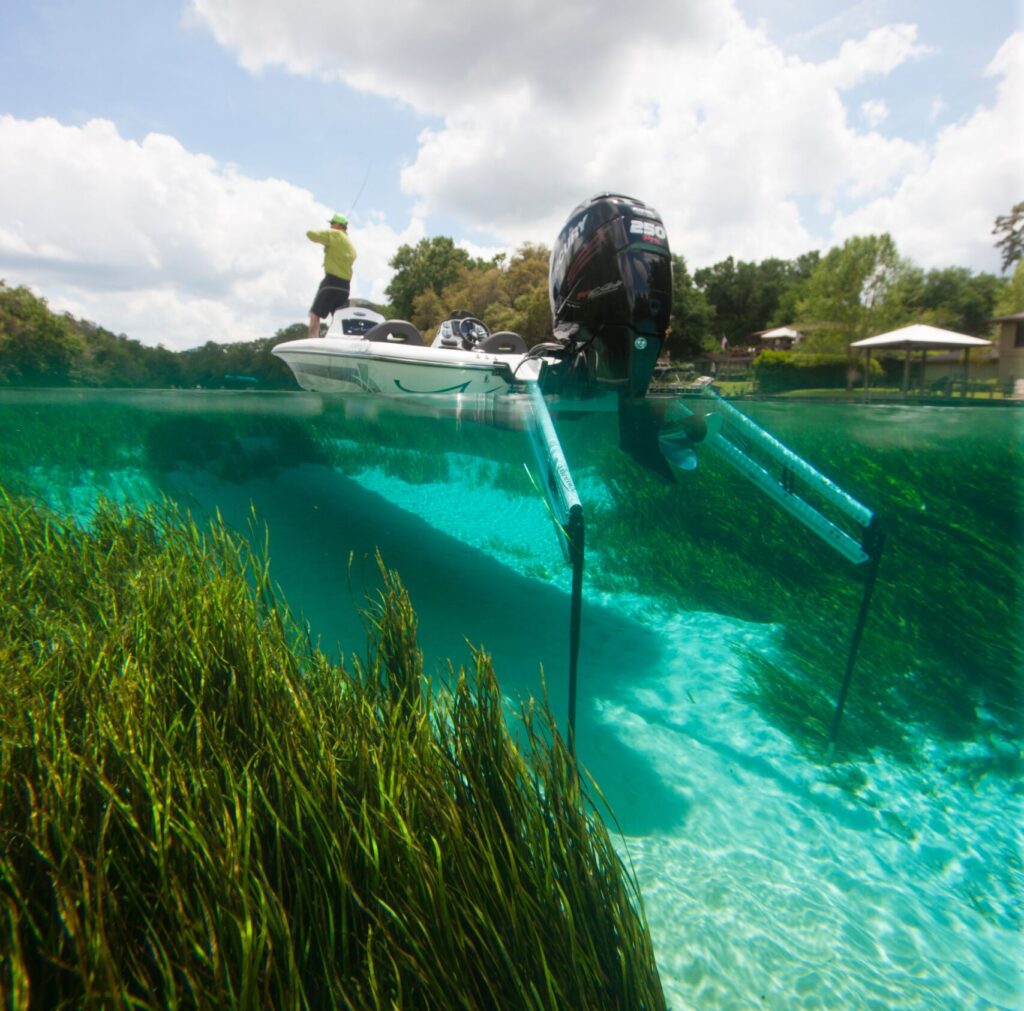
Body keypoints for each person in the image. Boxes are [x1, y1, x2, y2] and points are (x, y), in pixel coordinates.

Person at [306, 213, 357, 339]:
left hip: (331, 283)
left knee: (315, 315)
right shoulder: (350, 244)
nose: (330, 226)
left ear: (338, 225)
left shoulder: (334, 234)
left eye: (332, 223)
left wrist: (327, 241)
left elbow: (311, 235)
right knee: (339, 319)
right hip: (345, 287)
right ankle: (343, 342)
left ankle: (313, 343)